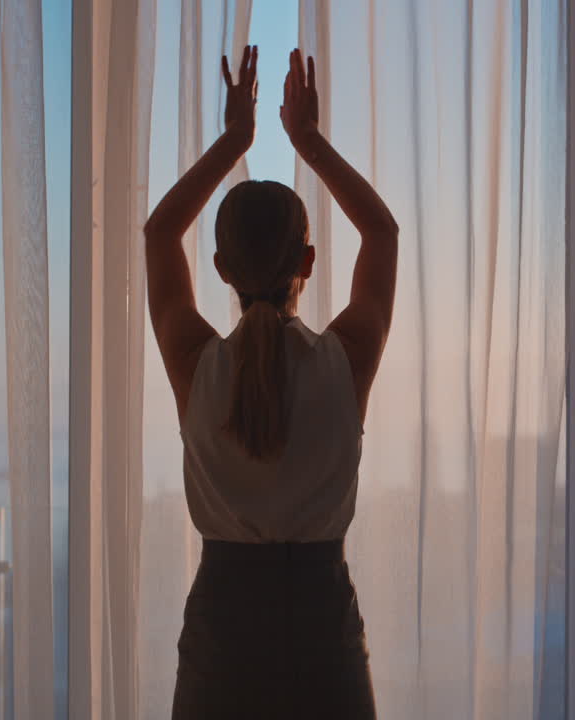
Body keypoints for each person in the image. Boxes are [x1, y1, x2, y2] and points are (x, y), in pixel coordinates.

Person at [144, 44, 397, 719]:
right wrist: (307, 141)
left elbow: (160, 232)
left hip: (220, 651)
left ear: (220, 268)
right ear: (308, 262)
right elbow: (381, 232)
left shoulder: (195, 366)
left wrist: (236, 140)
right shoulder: (346, 361)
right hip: (326, 650)